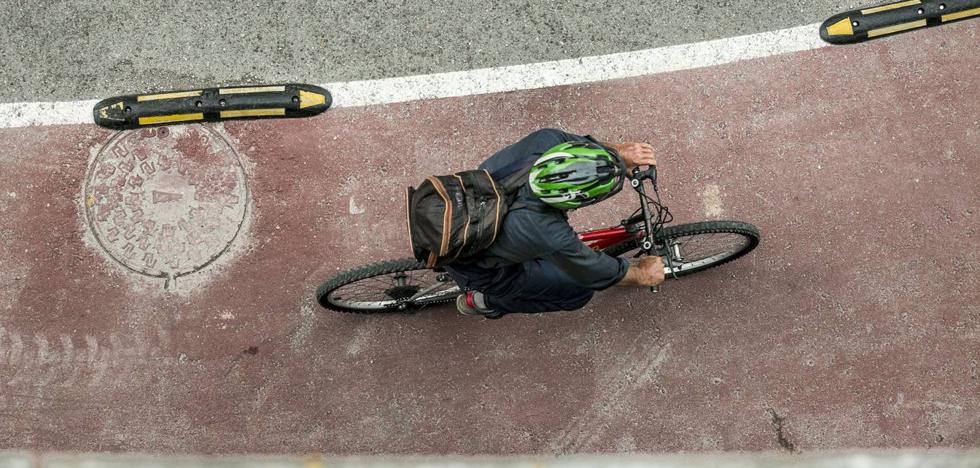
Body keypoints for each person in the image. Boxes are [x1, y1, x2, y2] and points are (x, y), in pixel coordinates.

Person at [445, 128, 665, 318]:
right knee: (578, 292)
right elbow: (595, 273)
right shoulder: (546, 231)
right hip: (474, 267)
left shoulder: (546, 141)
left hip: (458, 206)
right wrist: (641, 275)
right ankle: (483, 302)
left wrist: (617, 154)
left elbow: (582, 146)